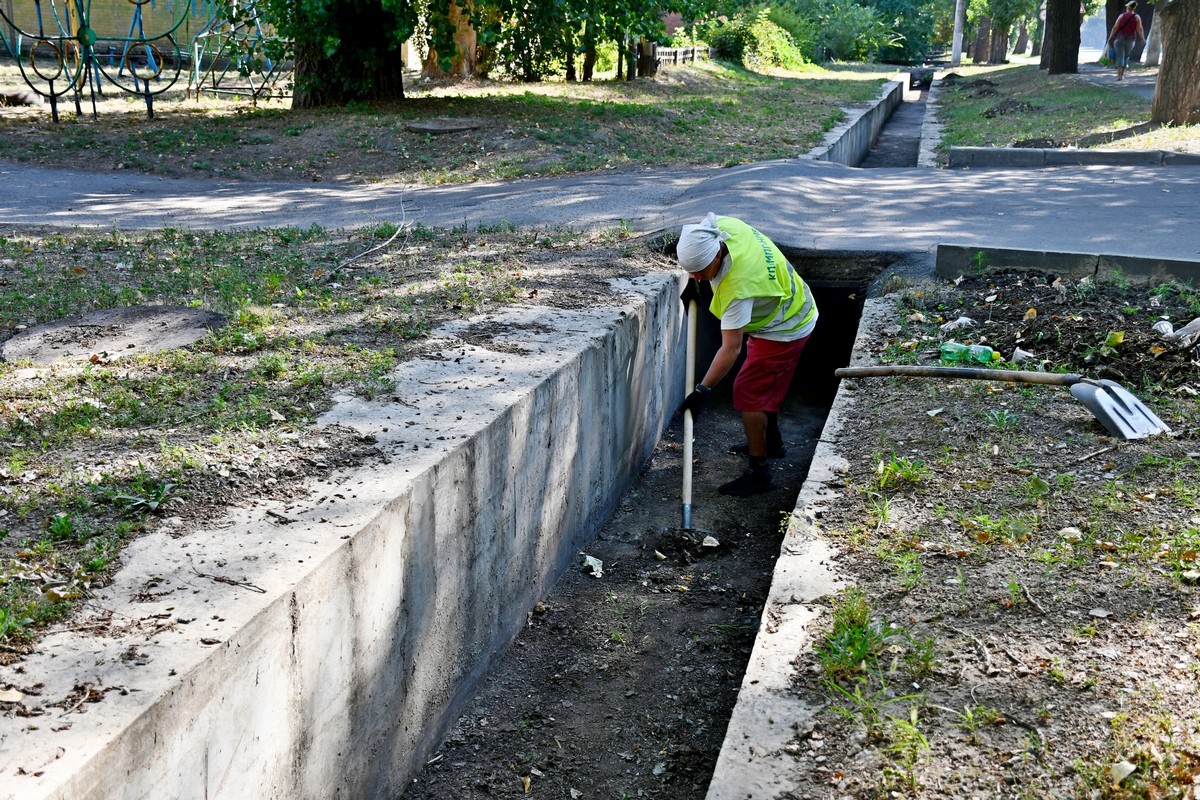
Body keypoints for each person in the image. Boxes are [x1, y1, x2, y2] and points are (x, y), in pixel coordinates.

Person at [677, 213, 818, 497]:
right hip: (793, 305)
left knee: (748, 391)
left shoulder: (738, 289)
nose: (696, 277)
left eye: (701, 271)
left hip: (786, 326)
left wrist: (703, 390)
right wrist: (698, 280)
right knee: (765, 383)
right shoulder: (723, 228)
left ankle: (759, 473)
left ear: (717, 255)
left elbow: (731, 348)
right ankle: (771, 441)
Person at [1106, 0, 1145, 82]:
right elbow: (1139, 29)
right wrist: (1142, 38)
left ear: (1127, 7)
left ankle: (1118, 75)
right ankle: (1122, 75)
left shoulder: (1121, 16)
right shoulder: (1136, 17)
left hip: (1119, 38)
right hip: (1130, 39)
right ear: (1134, 8)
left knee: (1120, 55)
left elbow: (1115, 27)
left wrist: (1110, 37)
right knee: (1126, 56)